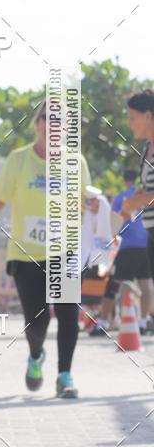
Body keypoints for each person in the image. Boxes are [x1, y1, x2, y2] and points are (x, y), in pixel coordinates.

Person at [0, 101, 91, 398]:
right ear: (37, 123)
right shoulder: (18, 159)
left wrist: (101, 229)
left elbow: (85, 204)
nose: (53, 124)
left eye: (60, 120)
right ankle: (36, 354)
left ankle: (65, 375)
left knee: (67, 313)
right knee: (37, 321)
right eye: (47, 118)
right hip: (26, 252)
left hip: (67, 250)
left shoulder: (77, 162)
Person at [90, 169, 152, 337]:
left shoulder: (121, 198)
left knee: (113, 285)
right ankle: (143, 322)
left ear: (124, 180)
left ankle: (102, 323)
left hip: (127, 247)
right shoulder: (145, 195)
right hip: (144, 246)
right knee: (145, 286)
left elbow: (114, 222)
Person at [122, 91, 154, 293]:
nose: (129, 123)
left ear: (148, 116)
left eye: (133, 117)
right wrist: (129, 205)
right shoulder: (146, 150)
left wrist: (140, 200)